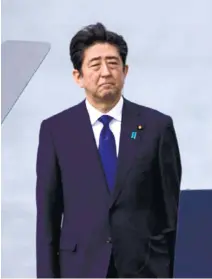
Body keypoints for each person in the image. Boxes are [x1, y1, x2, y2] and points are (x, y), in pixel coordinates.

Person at [36, 22, 182, 278]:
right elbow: (47, 219)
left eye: (113, 64)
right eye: (95, 65)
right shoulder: (56, 131)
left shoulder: (157, 127)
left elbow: (173, 211)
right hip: (81, 269)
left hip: (146, 268)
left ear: (125, 71)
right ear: (77, 76)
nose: (105, 72)